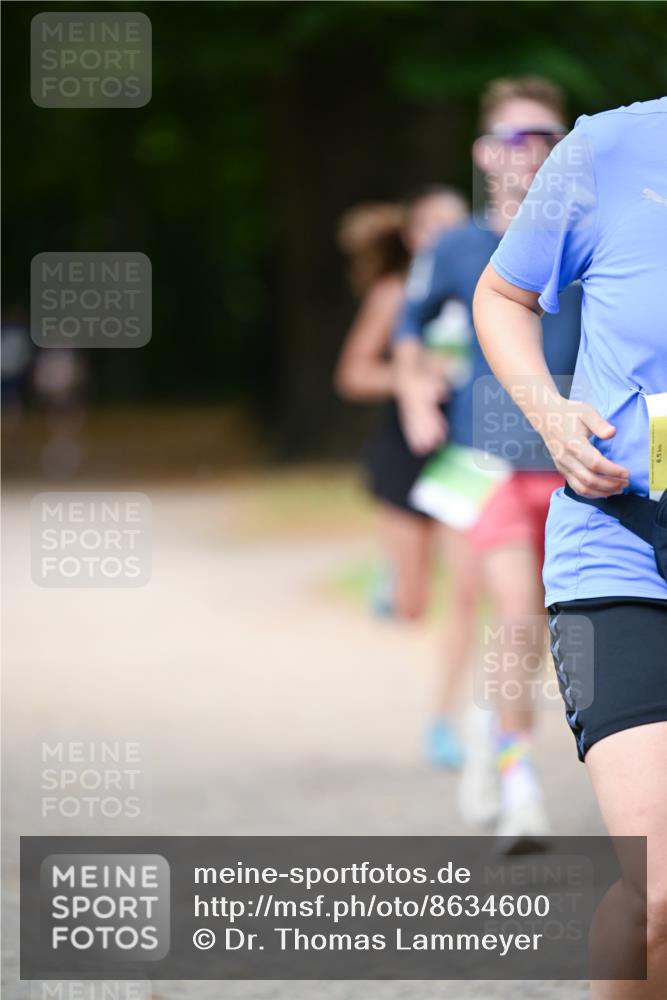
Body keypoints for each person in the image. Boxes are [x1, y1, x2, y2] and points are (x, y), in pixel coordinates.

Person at [474, 97, 667, 997]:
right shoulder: (606, 146)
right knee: (660, 892)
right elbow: (502, 294)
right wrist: (549, 413)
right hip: (623, 546)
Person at [394, 77, 582, 839]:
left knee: (543, 630)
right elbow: (412, 336)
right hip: (489, 461)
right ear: (483, 153)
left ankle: (489, 731)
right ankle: (518, 780)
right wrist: (414, 398)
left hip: (577, 465)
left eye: (546, 137)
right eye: (515, 137)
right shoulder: (455, 247)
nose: (530, 151)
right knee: (513, 615)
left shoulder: (588, 238)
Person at [335, 189, 477, 767]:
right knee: (414, 605)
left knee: (467, 593)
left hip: (465, 453)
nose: (445, 235)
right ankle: (391, 574)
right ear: (414, 238)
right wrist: (413, 376)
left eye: (456, 224)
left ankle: (443, 722)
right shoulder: (395, 294)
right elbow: (353, 375)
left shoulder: (485, 289)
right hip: (404, 452)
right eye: (433, 226)